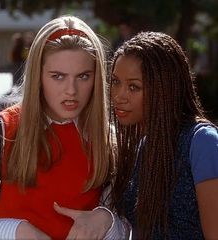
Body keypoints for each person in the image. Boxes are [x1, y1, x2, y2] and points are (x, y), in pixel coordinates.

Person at [54, 31, 218, 240]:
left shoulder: (203, 143)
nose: (119, 96)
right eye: (115, 82)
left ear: (163, 89)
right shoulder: (142, 147)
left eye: (134, 87)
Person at [0, 15, 111, 239]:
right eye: (58, 76)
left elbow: (132, 226)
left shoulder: (108, 141)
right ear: (38, 76)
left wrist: (107, 221)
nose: (71, 90)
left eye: (83, 76)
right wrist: (17, 231)